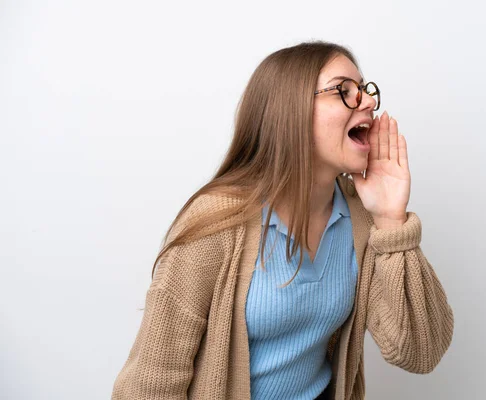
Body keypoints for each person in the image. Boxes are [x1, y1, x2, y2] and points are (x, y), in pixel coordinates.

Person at [111, 40, 454, 400]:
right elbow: (149, 385)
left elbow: (421, 352)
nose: (368, 102)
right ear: (290, 111)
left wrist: (391, 220)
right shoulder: (216, 222)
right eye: (346, 91)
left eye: (366, 91)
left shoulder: (363, 218)